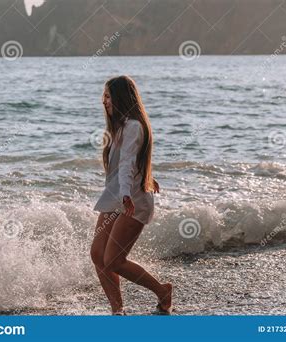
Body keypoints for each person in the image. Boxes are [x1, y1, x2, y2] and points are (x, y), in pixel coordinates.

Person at [91, 75, 173, 315]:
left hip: (132, 200)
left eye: (108, 96)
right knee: (98, 254)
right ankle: (117, 310)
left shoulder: (134, 126)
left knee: (114, 260)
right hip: (118, 195)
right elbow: (131, 160)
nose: (104, 101)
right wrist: (147, 174)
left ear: (121, 98)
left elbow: (127, 163)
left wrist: (126, 194)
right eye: (103, 96)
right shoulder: (121, 126)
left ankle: (162, 291)